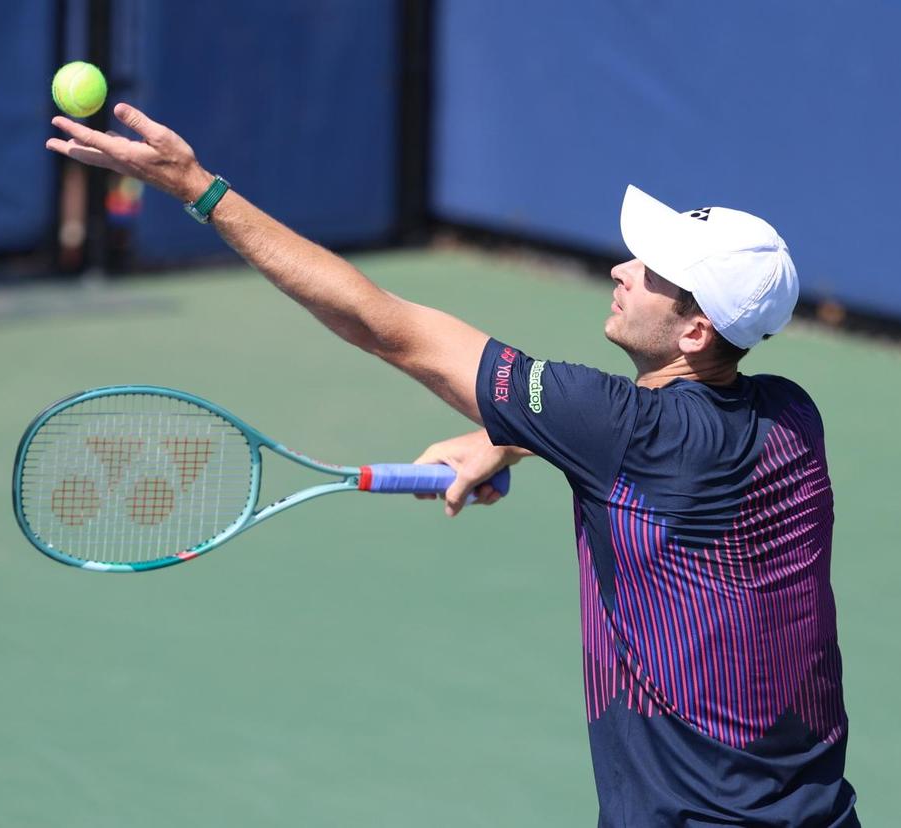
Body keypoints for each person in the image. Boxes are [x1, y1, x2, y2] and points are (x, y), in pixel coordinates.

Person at [47, 104, 859, 826]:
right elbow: (647, 446)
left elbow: (382, 324)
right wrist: (511, 436)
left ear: (695, 332)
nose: (621, 269)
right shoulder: (791, 416)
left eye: (651, 274)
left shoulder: (617, 431)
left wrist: (198, 189)